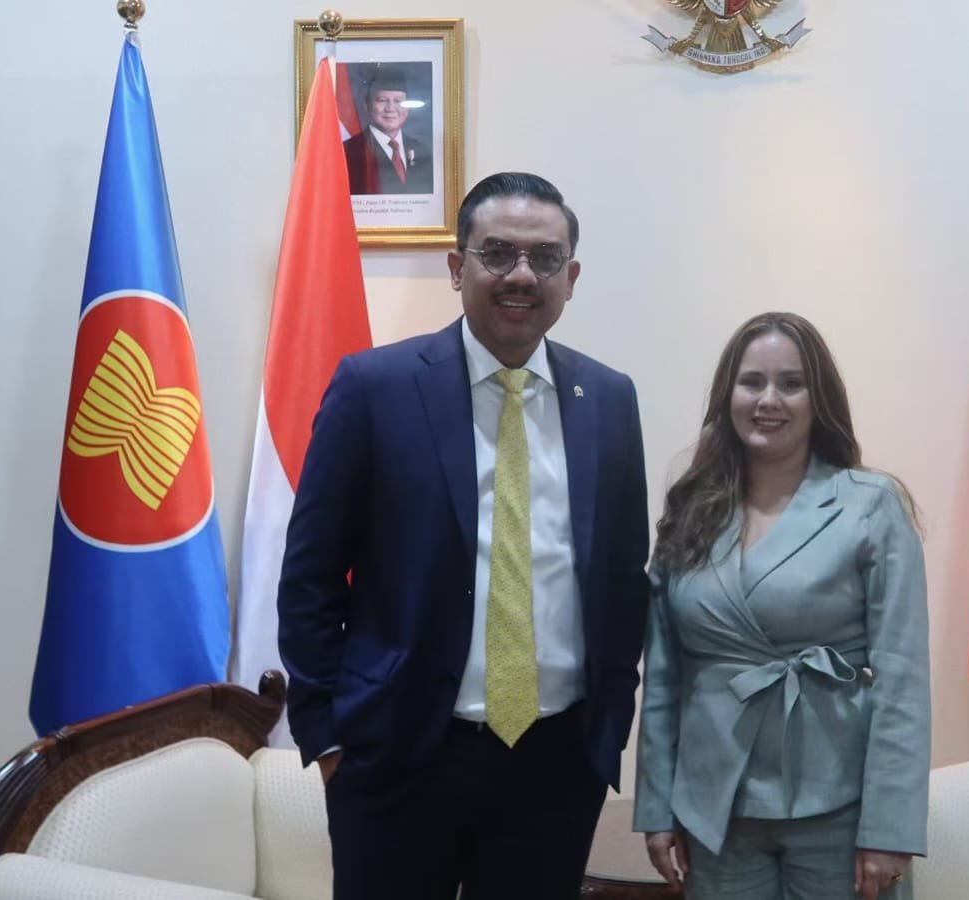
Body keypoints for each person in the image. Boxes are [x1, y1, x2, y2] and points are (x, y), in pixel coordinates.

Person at [278, 172, 650, 900]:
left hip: (556, 764)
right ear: (457, 267)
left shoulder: (608, 398)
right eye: (497, 252)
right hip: (400, 757)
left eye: (545, 258)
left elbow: (621, 576)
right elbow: (310, 577)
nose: (522, 275)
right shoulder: (375, 388)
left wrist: (608, 725)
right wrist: (327, 735)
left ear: (571, 278)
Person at [633, 311, 930, 900]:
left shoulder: (871, 505)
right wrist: (657, 805)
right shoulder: (692, 507)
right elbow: (664, 677)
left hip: (839, 805)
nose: (769, 400)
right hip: (715, 809)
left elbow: (903, 681)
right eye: (752, 382)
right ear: (728, 395)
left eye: (791, 384)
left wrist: (889, 828)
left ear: (819, 399)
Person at [343, 67, 434, 195]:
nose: (390, 109)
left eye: (398, 101)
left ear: (407, 108)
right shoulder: (347, 152)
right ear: (367, 106)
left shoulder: (422, 151)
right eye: (382, 100)